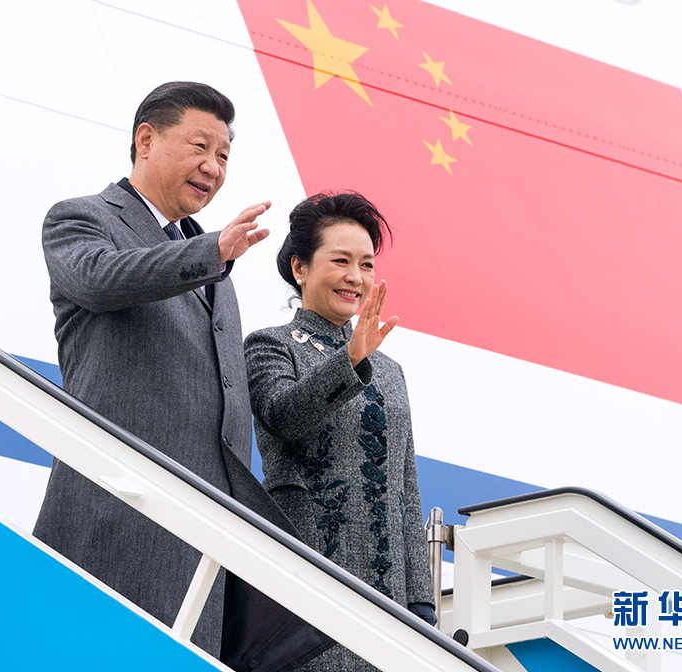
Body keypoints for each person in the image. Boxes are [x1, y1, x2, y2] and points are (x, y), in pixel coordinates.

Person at [33, 81, 314, 663]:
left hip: (203, 528)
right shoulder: (82, 218)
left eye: (224, 156)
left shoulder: (211, 258)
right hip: (118, 508)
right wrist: (211, 254)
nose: (213, 167)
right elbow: (99, 278)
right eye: (200, 147)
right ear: (146, 140)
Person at [244, 192, 436, 671]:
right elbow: (284, 416)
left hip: (388, 591)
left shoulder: (389, 369)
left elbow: (406, 485)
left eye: (366, 265)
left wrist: (421, 600)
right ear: (300, 268)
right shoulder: (270, 346)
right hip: (311, 572)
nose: (356, 277)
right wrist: (349, 359)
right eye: (341, 260)